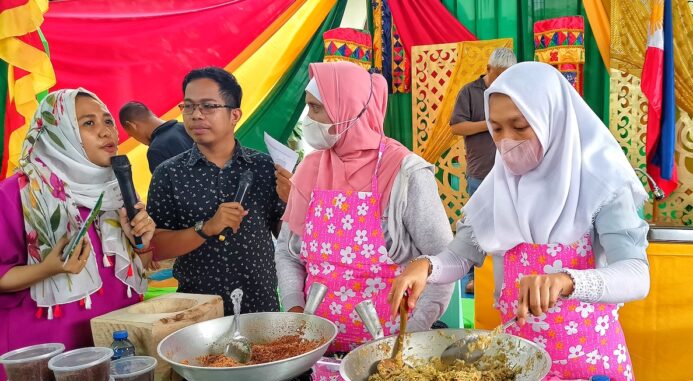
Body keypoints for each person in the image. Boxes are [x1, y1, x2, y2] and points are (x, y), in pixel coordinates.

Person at [390, 62, 650, 381]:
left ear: (550, 119)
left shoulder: (602, 183)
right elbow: (461, 256)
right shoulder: (500, 185)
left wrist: (566, 281)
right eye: (496, 129)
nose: (506, 141)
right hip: (516, 370)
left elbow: (637, 275)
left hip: (589, 373)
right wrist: (426, 266)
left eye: (520, 127)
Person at [276, 61, 454, 353]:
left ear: (348, 109)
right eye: (308, 108)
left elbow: (443, 263)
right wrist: (296, 308)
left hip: (388, 351)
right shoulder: (310, 168)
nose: (309, 118)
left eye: (317, 108)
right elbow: (287, 252)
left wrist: (411, 339)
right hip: (315, 346)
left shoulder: (405, 172)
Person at [0, 88, 155, 381]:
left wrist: (141, 241)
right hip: (46, 357)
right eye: (88, 123)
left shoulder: (116, 192)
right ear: (59, 131)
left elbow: (141, 269)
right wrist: (47, 269)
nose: (106, 131)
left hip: (113, 348)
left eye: (108, 121)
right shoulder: (17, 194)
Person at [147, 67, 285, 315]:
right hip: (199, 312)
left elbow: (287, 239)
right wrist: (206, 228)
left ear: (235, 115)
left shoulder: (265, 167)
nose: (196, 115)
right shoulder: (169, 174)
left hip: (260, 309)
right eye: (188, 106)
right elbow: (155, 247)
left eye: (208, 106)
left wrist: (293, 202)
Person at [450, 47, 517, 294]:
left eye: (507, 76)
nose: (502, 81)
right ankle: (469, 277)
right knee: (476, 226)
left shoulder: (514, 91)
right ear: (488, 69)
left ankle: (501, 277)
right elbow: (457, 127)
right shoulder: (470, 92)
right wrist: (490, 124)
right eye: (498, 75)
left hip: (511, 173)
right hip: (480, 171)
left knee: (507, 227)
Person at [119, 101, 194, 173]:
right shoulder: (188, 127)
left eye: (130, 134)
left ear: (132, 126)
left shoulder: (155, 151)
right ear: (153, 115)